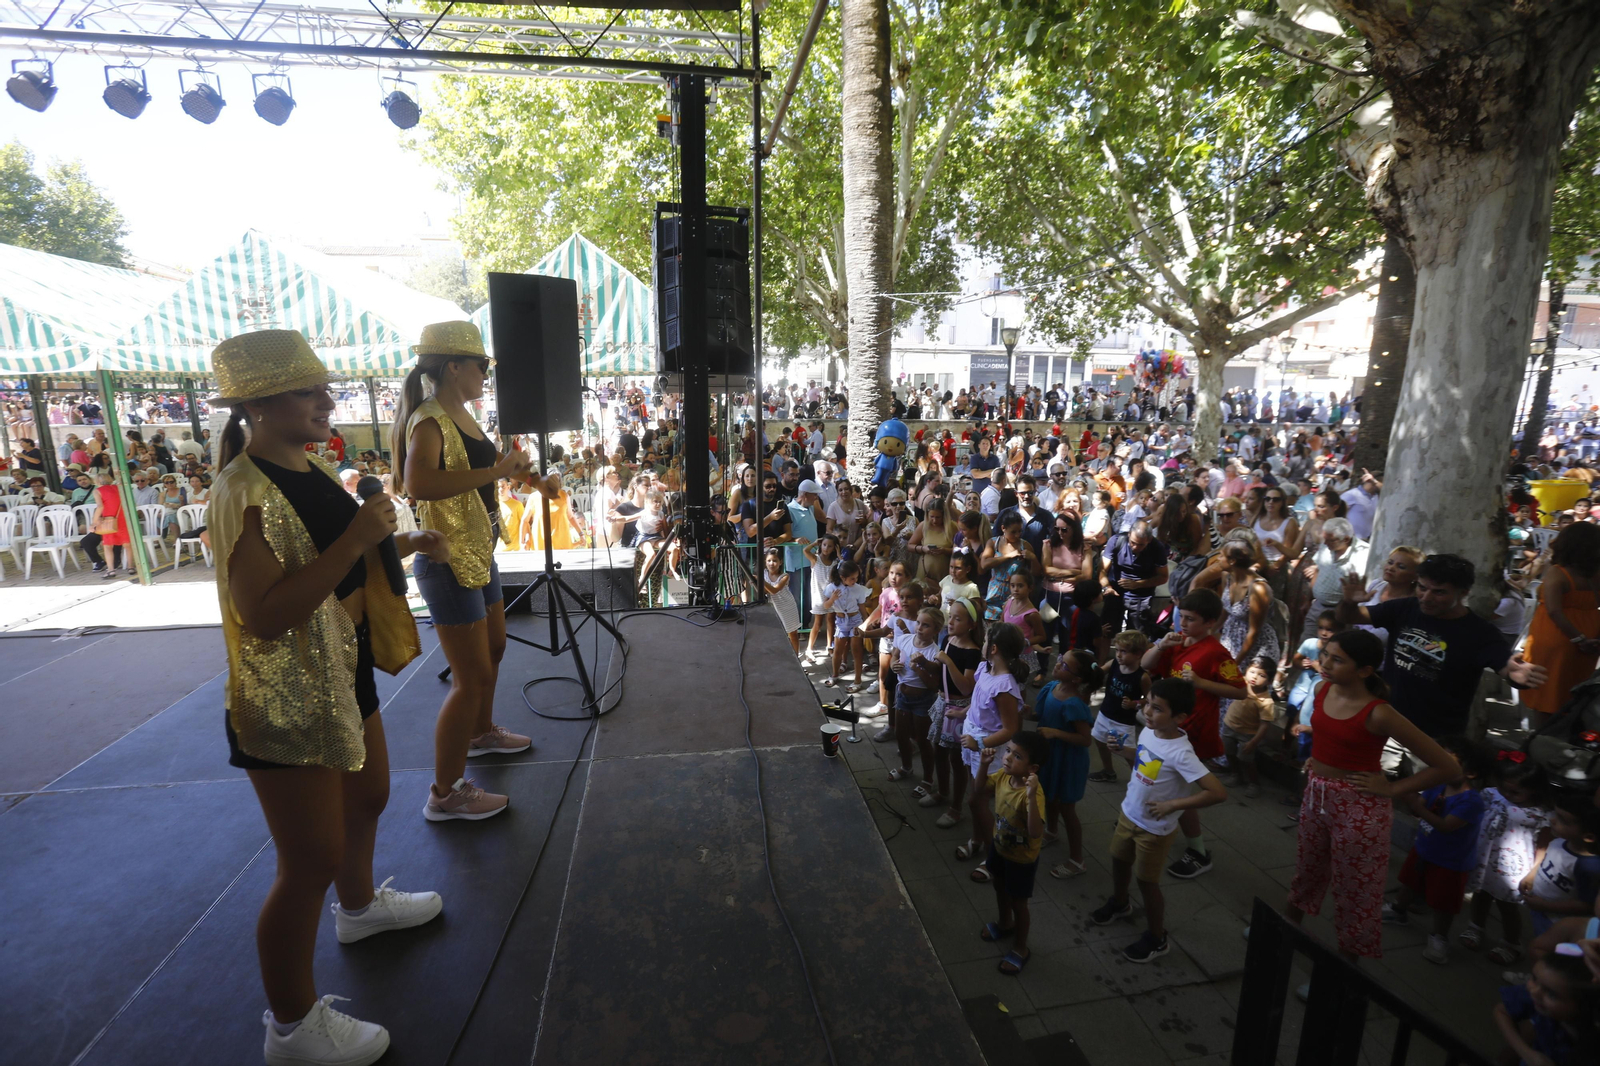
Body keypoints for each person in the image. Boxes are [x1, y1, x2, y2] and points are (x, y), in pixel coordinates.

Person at [208, 330, 445, 1066]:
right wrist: (355, 544)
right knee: (306, 859)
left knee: (368, 796)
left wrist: (398, 547)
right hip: (287, 698)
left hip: (341, 669)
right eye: (305, 390)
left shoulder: (306, 469)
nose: (325, 400)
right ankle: (291, 1027)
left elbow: (328, 565)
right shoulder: (243, 490)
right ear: (256, 405)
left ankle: (361, 907)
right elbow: (269, 614)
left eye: (322, 387)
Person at [394, 322, 545, 822]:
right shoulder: (430, 419)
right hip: (446, 560)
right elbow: (418, 483)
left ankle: (480, 734)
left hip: (478, 550)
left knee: (495, 649)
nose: (486, 373)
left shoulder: (464, 416)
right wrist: (498, 472)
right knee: (470, 675)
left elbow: (485, 471)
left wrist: (526, 476)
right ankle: (445, 793)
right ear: (453, 367)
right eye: (481, 365)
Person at [1284, 630, 1462, 963]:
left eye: (1338, 660)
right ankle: (1285, 931)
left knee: (1355, 891)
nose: (1326, 664)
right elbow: (1332, 737)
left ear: (1365, 670)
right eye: (1326, 655)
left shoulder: (1379, 712)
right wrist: (1319, 759)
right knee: (1306, 870)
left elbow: (1447, 767)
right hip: (1316, 796)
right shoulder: (1322, 689)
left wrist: (1393, 789)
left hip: (1360, 809)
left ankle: (1342, 973)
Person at [1335, 553, 1547, 746]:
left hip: (1436, 738)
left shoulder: (1480, 633)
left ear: (1463, 592)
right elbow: (1348, 617)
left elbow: (1506, 666)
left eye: (1439, 592)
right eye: (1422, 588)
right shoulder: (1405, 608)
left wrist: (1515, 674)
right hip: (1387, 725)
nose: (1426, 597)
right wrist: (1348, 602)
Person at [1092, 678, 1228, 962]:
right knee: (1118, 860)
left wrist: (1173, 805)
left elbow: (1217, 792)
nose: (1148, 712)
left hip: (1154, 829)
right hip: (1129, 812)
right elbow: (1144, 760)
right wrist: (1122, 750)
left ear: (1179, 717)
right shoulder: (1150, 732)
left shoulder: (1182, 753)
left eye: (1157, 708)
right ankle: (1120, 903)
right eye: (1148, 704)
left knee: (1146, 881)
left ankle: (1157, 937)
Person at [1142, 589, 1248, 879]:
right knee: (1150, 777)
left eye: (1191, 619)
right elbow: (1146, 665)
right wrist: (1162, 646)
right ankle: (1146, 818)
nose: (1183, 624)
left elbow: (1240, 690)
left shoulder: (1216, 652)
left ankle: (1198, 851)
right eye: (1182, 617)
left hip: (1192, 735)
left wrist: (1202, 682)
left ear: (1210, 622)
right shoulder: (1176, 643)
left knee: (1180, 793)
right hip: (1164, 729)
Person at [1381, 737, 1488, 964]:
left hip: (1450, 862)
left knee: (1443, 903)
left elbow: (1445, 826)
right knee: (1410, 882)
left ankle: (1439, 937)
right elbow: (1420, 804)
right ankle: (1398, 910)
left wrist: (1417, 805)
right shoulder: (1438, 785)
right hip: (1424, 848)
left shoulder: (1471, 802)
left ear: (1471, 773)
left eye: (1448, 761)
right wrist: (1408, 797)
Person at [1462, 753, 1550, 967]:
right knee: (1480, 894)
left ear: (1534, 789)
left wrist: (1533, 872)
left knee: (1507, 906)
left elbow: (1544, 847)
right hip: (1484, 858)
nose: (1508, 794)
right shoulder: (1490, 795)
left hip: (1513, 868)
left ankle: (1511, 942)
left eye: (1515, 792)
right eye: (1504, 788)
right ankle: (1476, 927)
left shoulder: (1540, 814)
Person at [957, 623, 1027, 884]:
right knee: (973, 795)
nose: (983, 644)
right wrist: (963, 713)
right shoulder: (984, 669)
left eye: (986, 640)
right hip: (972, 741)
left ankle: (993, 855)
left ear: (994, 648)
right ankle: (977, 838)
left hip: (988, 751)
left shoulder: (1005, 686)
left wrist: (979, 741)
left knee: (978, 801)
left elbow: (1010, 729)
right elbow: (978, 701)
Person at [975, 731, 1048, 976]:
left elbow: (1035, 832)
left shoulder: (1033, 794)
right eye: (1007, 751)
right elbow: (979, 791)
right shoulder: (1003, 777)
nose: (1006, 758)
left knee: (1019, 903)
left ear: (1032, 768)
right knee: (998, 886)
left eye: (1016, 756)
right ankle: (1005, 924)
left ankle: (1020, 948)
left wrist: (1030, 796)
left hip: (1021, 859)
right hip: (999, 846)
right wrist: (984, 766)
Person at [1521, 523, 1600, 725]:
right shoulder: (1595, 575)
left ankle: (1541, 743)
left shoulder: (1558, 573)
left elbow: (1554, 611)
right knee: (1574, 692)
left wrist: (1578, 638)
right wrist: (1591, 639)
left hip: (1558, 638)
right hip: (1590, 640)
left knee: (1546, 696)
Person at [1037, 649, 1099, 880]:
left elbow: (1085, 739)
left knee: (1066, 808)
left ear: (1077, 679)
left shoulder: (1074, 704)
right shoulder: (1050, 689)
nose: (1057, 663)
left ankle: (1077, 860)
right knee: (1049, 796)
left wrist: (1056, 733)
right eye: (1061, 659)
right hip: (1050, 755)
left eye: (1065, 665)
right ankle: (1051, 831)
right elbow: (1042, 716)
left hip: (1068, 761)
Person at [929, 598, 983, 827]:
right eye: (951, 616)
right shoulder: (948, 640)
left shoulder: (972, 652)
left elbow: (966, 687)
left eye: (957, 619)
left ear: (971, 625)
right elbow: (940, 672)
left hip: (959, 707)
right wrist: (921, 663)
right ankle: (942, 791)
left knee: (956, 759)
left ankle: (956, 807)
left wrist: (948, 662)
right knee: (938, 751)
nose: (950, 622)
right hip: (942, 703)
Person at [1494, 954, 1600, 1066]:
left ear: (1583, 1005)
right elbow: (1501, 1011)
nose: (1534, 992)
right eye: (1534, 978)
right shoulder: (1538, 997)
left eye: (1551, 994)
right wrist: (1527, 1053)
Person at [890, 605, 943, 790]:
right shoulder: (905, 639)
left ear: (937, 630)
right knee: (900, 734)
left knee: (922, 740)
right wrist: (893, 665)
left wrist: (919, 669)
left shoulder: (935, 653)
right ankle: (906, 767)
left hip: (923, 700)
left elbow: (934, 684)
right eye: (918, 623)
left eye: (926, 625)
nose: (919, 628)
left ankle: (928, 779)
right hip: (902, 695)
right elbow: (894, 655)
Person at [1089, 630, 1151, 783]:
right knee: (1100, 741)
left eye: (1123, 651)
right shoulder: (1114, 664)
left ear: (1138, 654)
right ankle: (1108, 771)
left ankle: (1140, 780)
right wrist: (1090, 669)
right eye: (1117, 650)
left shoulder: (1142, 677)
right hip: (1105, 713)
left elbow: (1150, 700)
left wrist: (1134, 704)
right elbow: (1099, 672)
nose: (1118, 655)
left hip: (1124, 722)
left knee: (1127, 753)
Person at [1220, 658, 1279, 799]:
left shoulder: (1266, 702)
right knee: (1229, 752)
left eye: (1262, 675)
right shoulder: (1242, 685)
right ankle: (1236, 775)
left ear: (1269, 681)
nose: (1255, 677)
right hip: (1229, 726)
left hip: (1247, 734)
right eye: (1252, 672)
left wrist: (1253, 742)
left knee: (1247, 759)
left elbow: (1265, 725)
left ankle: (1254, 783)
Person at [820, 559, 871, 692]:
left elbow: (861, 606)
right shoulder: (831, 588)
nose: (855, 581)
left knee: (856, 650)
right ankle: (835, 674)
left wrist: (866, 623)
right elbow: (825, 606)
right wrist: (832, 599)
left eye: (856, 578)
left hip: (855, 621)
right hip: (841, 621)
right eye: (852, 578)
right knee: (838, 650)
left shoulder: (858, 589)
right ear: (842, 577)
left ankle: (857, 680)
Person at [78, 470, 133, 576]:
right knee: (127, 545)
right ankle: (131, 567)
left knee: (108, 546)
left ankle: (111, 570)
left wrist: (94, 523)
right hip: (123, 519)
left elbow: (100, 506)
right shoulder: (120, 489)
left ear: (96, 481)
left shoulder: (98, 491)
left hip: (108, 520)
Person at [764, 547, 802, 655]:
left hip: (787, 606)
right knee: (775, 634)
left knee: (792, 633)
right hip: (773, 607)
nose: (772, 563)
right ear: (765, 562)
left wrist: (760, 581)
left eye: (775, 560)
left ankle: (796, 658)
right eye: (769, 560)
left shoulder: (784, 576)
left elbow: (774, 590)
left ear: (780, 562)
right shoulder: (764, 574)